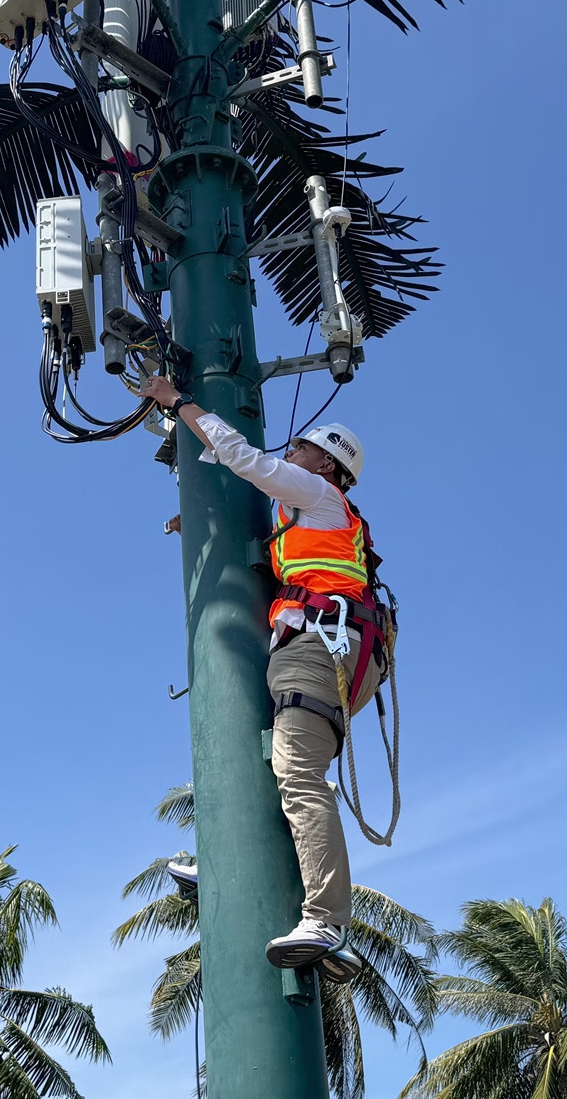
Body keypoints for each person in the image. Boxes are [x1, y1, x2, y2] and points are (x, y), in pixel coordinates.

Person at [140, 376, 387, 976]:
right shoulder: (305, 516)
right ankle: (234, 856)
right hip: (323, 646)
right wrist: (195, 519)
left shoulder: (317, 492)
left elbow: (244, 458)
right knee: (266, 754)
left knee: (296, 769)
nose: (292, 452)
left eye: (301, 446)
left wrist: (180, 404)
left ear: (326, 462)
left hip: (322, 645)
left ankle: (327, 921)